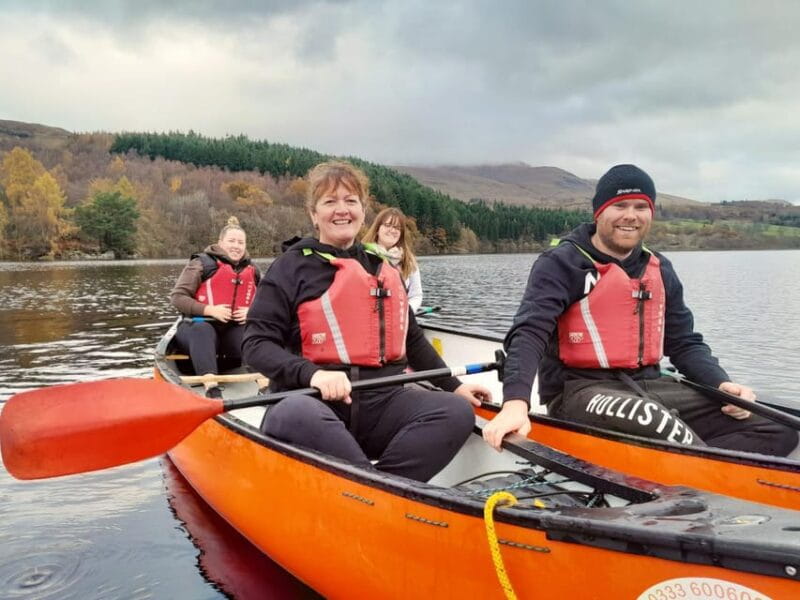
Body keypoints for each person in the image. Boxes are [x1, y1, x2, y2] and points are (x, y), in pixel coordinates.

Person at [484, 164, 798, 457]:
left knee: (780, 425)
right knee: (657, 422)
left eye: (641, 207)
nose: (630, 216)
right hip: (579, 391)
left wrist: (720, 383)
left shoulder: (660, 268)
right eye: (620, 206)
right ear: (599, 212)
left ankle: (687, 474)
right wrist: (515, 403)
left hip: (652, 385)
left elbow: (684, 342)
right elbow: (528, 334)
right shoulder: (561, 264)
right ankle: (698, 477)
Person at [242, 160, 490, 482]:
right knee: (293, 411)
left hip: (383, 402)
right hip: (313, 404)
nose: (341, 210)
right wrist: (312, 375)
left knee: (454, 412)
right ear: (313, 214)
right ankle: (377, 491)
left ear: (363, 209)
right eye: (330, 202)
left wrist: (454, 387)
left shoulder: (380, 265)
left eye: (350, 201)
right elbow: (255, 345)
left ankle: (382, 488)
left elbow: (412, 340)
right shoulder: (289, 268)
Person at [170, 216, 260, 398]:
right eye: (231, 241)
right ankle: (211, 387)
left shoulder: (253, 270)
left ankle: (263, 382)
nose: (236, 246)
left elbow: (268, 303)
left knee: (253, 332)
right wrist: (209, 310)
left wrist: (252, 312)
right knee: (202, 329)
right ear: (220, 243)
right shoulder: (201, 264)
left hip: (230, 333)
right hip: (196, 330)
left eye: (241, 242)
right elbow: (177, 298)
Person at [362, 207, 423, 313]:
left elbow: (416, 295)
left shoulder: (408, 261)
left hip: (399, 320)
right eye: (387, 225)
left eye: (397, 228)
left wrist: (406, 313)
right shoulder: (363, 255)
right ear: (377, 229)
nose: (392, 230)